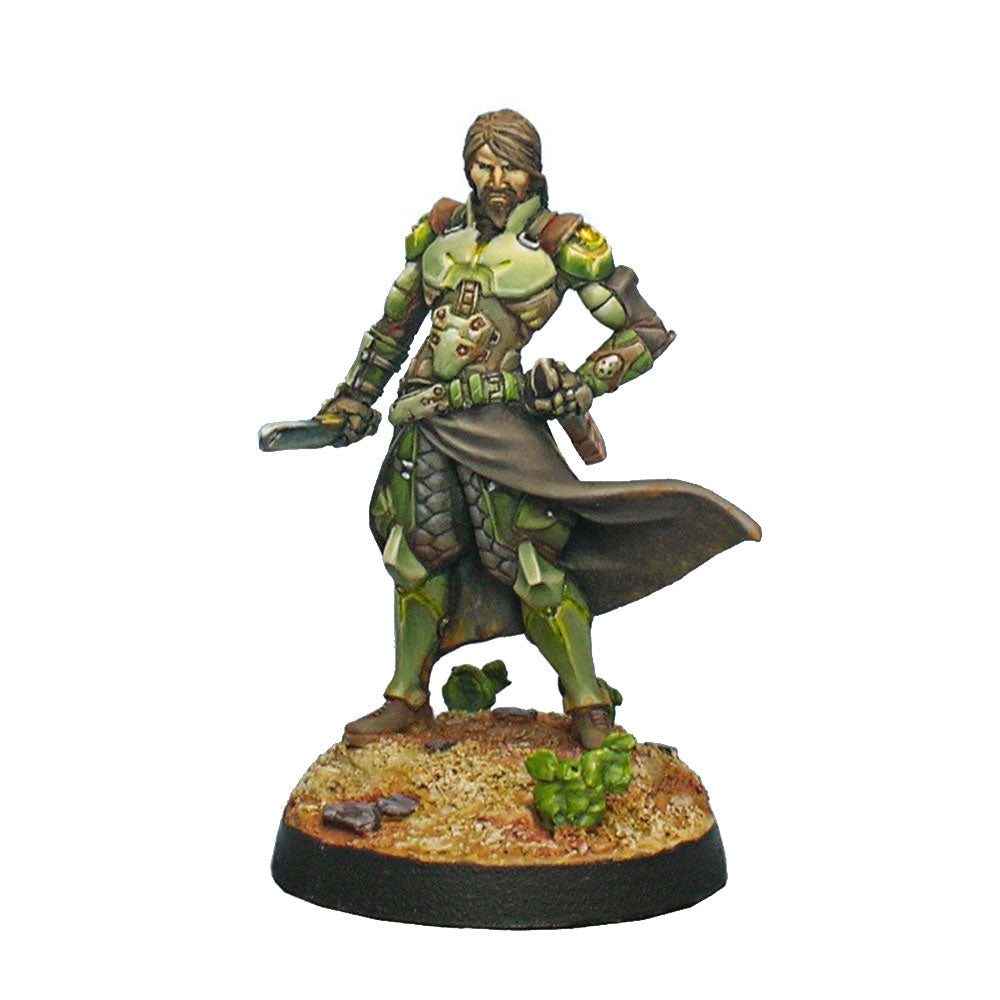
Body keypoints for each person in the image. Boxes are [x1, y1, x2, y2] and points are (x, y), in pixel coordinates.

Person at [313, 109, 760, 748]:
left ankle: (588, 707)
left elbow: (644, 330)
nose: (496, 180)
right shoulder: (438, 230)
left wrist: (583, 383)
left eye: (511, 167)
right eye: (484, 165)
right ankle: (406, 697)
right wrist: (354, 398)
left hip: (500, 423)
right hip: (422, 418)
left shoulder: (561, 242)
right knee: (412, 556)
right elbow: (393, 327)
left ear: (534, 172)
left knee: (532, 562)